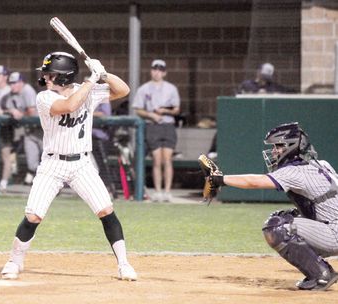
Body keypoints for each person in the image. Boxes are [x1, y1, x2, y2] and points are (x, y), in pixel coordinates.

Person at [0, 52, 137, 281]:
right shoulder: (44, 97)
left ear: (65, 76)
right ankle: (14, 261)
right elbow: (69, 105)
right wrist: (91, 80)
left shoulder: (88, 91)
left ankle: (124, 264)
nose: (46, 78)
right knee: (33, 215)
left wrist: (103, 73)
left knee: (106, 211)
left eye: (51, 74)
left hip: (82, 164)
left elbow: (123, 90)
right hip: (52, 164)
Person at [207, 122, 338, 291]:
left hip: (334, 234)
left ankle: (321, 275)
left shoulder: (294, 171)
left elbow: (254, 182)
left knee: (277, 226)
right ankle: (320, 271)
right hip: (333, 228)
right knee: (290, 215)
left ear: (292, 146)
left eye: (279, 146)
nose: (275, 151)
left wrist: (220, 179)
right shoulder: (322, 164)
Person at [133, 59, 180, 202]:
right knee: (157, 160)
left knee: (167, 159)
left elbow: (176, 109)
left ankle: (167, 191)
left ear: (164, 72)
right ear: (151, 71)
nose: (157, 72)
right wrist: (151, 114)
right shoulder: (144, 89)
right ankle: (158, 191)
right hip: (153, 126)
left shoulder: (171, 88)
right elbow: (138, 109)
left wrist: (165, 110)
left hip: (167, 125)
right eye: (154, 69)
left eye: (160, 70)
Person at [4, 71, 42, 185]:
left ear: (21, 82)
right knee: (32, 164)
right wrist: (11, 111)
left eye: (14, 83)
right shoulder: (12, 94)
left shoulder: (27, 90)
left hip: (41, 130)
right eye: (10, 83)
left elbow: (31, 111)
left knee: (49, 160)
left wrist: (20, 113)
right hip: (28, 131)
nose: (12, 86)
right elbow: (8, 109)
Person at [92, 101, 117, 198]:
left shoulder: (104, 100)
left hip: (101, 139)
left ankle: (109, 189)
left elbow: (105, 114)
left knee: (103, 165)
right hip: (87, 139)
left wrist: (89, 112)